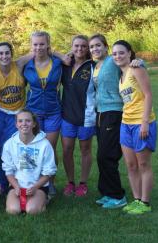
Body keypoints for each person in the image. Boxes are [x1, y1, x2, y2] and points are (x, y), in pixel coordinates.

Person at [112, 40, 157, 214]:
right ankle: (137, 199)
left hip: (141, 122)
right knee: (131, 165)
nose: (118, 56)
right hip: (126, 123)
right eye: (114, 53)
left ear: (130, 53)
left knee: (143, 164)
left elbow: (148, 94)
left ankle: (145, 203)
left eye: (121, 52)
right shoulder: (121, 75)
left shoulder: (136, 68)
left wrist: (145, 121)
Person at [89, 33, 127, 209]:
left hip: (113, 111)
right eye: (92, 47)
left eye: (98, 45)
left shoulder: (113, 60)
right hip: (100, 113)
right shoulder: (97, 65)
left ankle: (118, 196)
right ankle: (106, 192)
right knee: (101, 155)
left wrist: (138, 62)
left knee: (108, 155)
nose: (95, 49)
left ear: (106, 47)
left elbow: (132, 62)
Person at [23, 31, 62, 197]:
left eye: (41, 44)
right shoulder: (26, 65)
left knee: (49, 150)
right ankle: (31, 183)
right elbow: (3, 66)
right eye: (35, 44)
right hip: (33, 113)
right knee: (32, 149)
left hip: (53, 112)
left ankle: (50, 183)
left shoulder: (59, 63)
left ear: (48, 45)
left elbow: (79, 57)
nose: (38, 47)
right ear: (31, 46)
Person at [0, 42, 31, 194]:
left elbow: (36, 50)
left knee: (13, 149)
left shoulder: (18, 65)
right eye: (1, 53)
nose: (4, 56)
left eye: (7, 53)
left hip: (16, 113)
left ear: (11, 54)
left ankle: (17, 180)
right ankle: (1, 182)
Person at [60, 35, 96, 197]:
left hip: (86, 116)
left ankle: (82, 183)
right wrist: (62, 55)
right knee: (67, 149)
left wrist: (138, 62)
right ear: (72, 47)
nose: (79, 49)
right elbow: (48, 51)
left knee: (85, 149)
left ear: (88, 48)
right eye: (76, 46)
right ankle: (70, 182)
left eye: (83, 46)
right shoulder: (65, 64)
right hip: (67, 115)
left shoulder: (94, 66)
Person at [2, 109, 57, 214]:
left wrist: (35, 187)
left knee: (32, 210)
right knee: (13, 210)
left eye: (28, 121)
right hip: (17, 186)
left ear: (34, 124)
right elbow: (8, 171)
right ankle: (14, 199)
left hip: (37, 186)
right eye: (20, 121)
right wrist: (16, 186)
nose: (24, 124)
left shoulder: (44, 144)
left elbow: (49, 172)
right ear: (16, 124)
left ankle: (45, 198)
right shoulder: (9, 144)